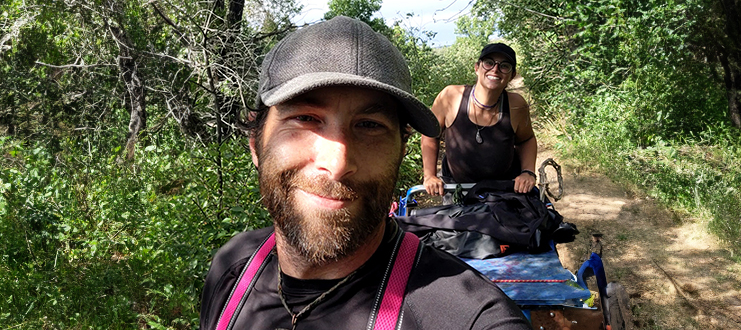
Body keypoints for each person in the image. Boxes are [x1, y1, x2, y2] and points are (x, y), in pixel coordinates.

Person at [199, 16, 530, 330]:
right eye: (304, 118)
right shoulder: (232, 267)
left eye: (369, 126)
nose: (338, 162)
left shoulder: (469, 317)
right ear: (257, 142)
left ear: (401, 150)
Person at [421, 43, 537, 196]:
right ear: (477, 68)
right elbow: (430, 135)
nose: (495, 69)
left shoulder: (516, 105)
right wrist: (430, 176)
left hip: (504, 190)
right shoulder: (450, 96)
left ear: (512, 75)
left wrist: (528, 172)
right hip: (457, 189)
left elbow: (526, 139)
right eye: (488, 63)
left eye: (504, 66)